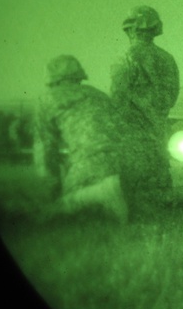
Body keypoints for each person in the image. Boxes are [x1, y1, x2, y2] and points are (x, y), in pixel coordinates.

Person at [34, 55, 129, 224]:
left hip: (89, 166)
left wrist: (52, 191)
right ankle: (111, 194)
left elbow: (46, 151)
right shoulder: (99, 95)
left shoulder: (46, 99)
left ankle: (97, 193)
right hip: (122, 165)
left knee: (57, 213)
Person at [111, 5, 179, 220]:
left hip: (133, 132)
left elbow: (117, 98)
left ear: (130, 29)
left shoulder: (125, 57)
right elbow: (172, 96)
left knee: (133, 187)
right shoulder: (167, 59)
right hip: (158, 128)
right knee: (160, 180)